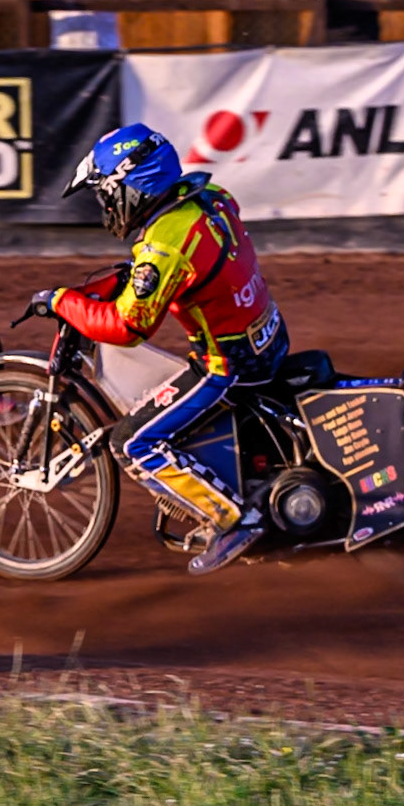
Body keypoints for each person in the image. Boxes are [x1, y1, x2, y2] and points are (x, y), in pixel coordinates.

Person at [28, 123, 289, 575]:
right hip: (268, 336)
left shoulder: (165, 246)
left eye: (106, 193)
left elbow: (128, 326)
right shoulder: (211, 199)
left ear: (131, 186)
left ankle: (235, 519)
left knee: (131, 441)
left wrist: (60, 301)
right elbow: (172, 266)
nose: (105, 205)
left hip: (226, 365)